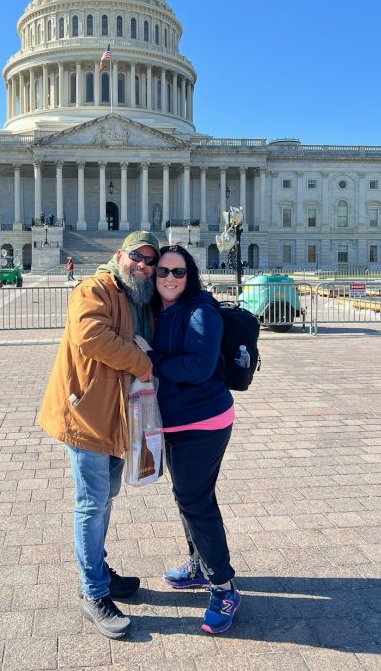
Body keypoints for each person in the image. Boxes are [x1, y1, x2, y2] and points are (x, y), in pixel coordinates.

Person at [39, 231, 160, 640]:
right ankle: (93, 592)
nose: (144, 266)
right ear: (120, 254)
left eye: (151, 261)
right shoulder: (94, 289)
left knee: (104, 500)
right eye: (138, 257)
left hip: (114, 418)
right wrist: (141, 361)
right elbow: (90, 336)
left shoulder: (136, 298)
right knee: (92, 504)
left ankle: (97, 570)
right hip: (86, 415)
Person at [134, 245, 241, 635]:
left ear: (189, 275)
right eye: (163, 271)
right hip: (176, 421)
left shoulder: (201, 311)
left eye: (178, 272)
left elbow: (198, 367)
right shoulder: (159, 310)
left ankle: (224, 587)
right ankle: (199, 564)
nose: (169, 278)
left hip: (204, 421)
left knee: (197, 502)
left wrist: (151, 359)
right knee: (187, 497)